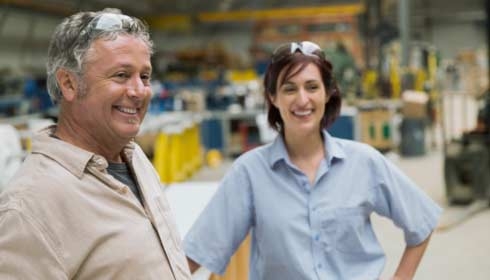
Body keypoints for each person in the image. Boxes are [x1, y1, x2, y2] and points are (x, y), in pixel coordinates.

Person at [183, 41, 442, 280]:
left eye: (312, 87)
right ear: (273, 98)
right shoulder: (249, 173)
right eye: (289, 89)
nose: (302, 99)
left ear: (328, 93)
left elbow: (421, 221)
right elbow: (199, 250)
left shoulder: (364, 162)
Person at [0, 9, 191, 280]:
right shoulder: (29, 208)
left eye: (145, 76)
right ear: (69, 83)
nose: (139, 91)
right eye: (121, 75)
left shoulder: (134, 158)